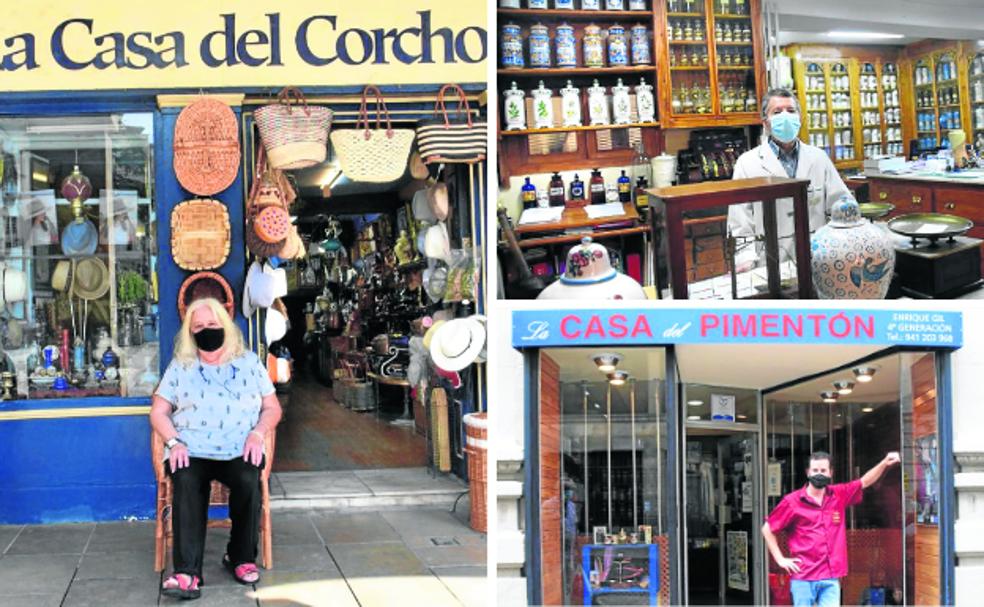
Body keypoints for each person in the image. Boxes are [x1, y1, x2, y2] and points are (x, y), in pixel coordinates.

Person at [150, 297, 282, 600]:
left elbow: (272, 408)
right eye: (198, 326)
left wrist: (258, 434)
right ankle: (186, 572)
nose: (206, 330)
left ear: (225, 325)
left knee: (249, 479)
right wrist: (173, 442)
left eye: (212, 324)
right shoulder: (180, 366)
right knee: (185, 480)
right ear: (189, 332)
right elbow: (158, 411)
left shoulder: (249, 363)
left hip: (239, 447)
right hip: (191, 448)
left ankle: (240, 557)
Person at [728, 88, 850, 272]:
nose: (785, 117)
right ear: (765, 123)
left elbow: (841, 205)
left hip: (818, 257)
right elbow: (740, 221)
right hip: (769, 261)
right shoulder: (747, 163)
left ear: (800, 119)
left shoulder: (818, 158)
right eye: (777, 112)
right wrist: (744, 259)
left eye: (791, 111)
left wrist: (847, 242)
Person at [762, 450, 901, 607]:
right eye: (815, 470)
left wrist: (884, 463)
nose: (819, 474)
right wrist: (780, 559)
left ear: (830, 473)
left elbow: (864, 482)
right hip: (804, 576)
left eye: (823, 470)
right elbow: (767, 528)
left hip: (830, 576)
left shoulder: (838, 495)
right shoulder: (792, 502)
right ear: (808, 472)